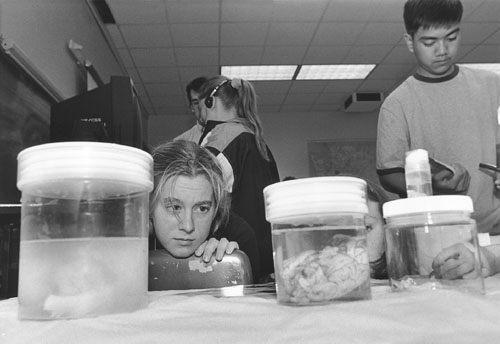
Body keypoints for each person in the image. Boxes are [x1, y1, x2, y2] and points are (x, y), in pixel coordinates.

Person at [376, 0, 500, 235]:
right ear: (410, 42)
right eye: (429, 42)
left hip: (495, 229)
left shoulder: (493, 85)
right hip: (434, 231)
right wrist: (432, 186)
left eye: (451, 38)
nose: (442, 50)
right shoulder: (397, 104)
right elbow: (388, 175)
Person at [197, 75, 280, 282]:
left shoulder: (223, 138)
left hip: (233, 255)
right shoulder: (255, 140)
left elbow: (196, 193)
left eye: (197, 104)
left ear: (210, 101)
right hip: (264, 261)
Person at [149, 140, 260, 279]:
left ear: (216, 209)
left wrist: (227, 268)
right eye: (175, 207)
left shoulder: (239, 236)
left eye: (202, 209)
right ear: (148, 206)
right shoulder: (128, 242)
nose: (188, 226)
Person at [174, 76, 208, 143]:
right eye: (196, 103)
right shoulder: (181, 143)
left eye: (205, 101)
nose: (201, 107)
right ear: (192, 107)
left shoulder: (230, 135)